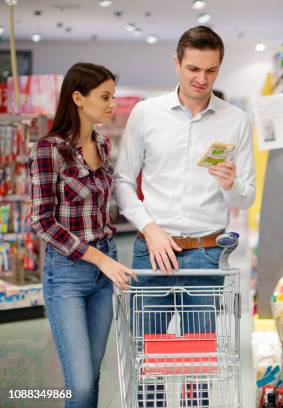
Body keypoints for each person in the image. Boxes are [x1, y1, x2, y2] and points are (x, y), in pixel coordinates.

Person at [114, 26, 255, 405]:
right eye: (193, 68)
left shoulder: (235, 121)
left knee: (198, 367)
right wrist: (149, 227)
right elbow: (123, 181)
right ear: (176, 63)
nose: (201, 79)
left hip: (206, 256)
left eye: (211, 70)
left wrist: (230, 184)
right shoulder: (147, 114)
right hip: (152, 253)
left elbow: (246, 198)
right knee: (150, 363)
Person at [29, 62, 136, 408]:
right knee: (82, 386)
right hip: (67, 276)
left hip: (104, 273)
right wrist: (101, 259)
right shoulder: (49, 151)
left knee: (91, 377)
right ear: (77, 97)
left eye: (113, 97)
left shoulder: (103, 146)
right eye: (104, 97)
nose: (111, 105)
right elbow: (43, 221)